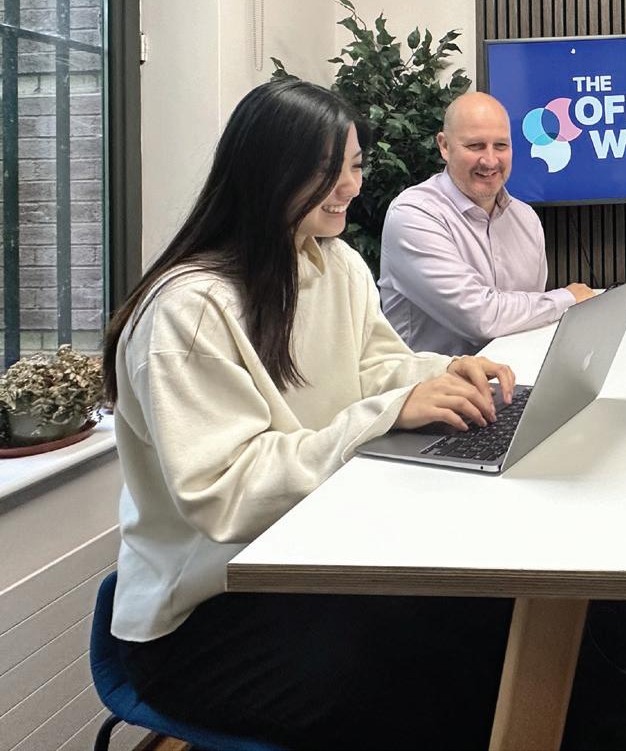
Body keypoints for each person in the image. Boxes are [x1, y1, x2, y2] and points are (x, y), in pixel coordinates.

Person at [103, 79, 517, 749]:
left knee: (492, 622)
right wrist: (388, 411)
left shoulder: (335, 261)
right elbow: (228, 492)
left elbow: (373, 367)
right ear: (265, 171)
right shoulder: (188, 310)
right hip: (206, 615)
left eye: (354, 165)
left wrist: (443, 374)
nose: (349, 186)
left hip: (310, 560)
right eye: (326, 170)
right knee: (437, 680)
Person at [379, 91, 593, 355]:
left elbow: (528, 319)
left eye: (500, 146)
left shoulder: (526, 219)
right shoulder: (413, 214)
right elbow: (481, 318)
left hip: (517, 373)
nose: (490, 160)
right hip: (436, 379)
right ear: (444, 146)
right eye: (475, 146)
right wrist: (568, 298)